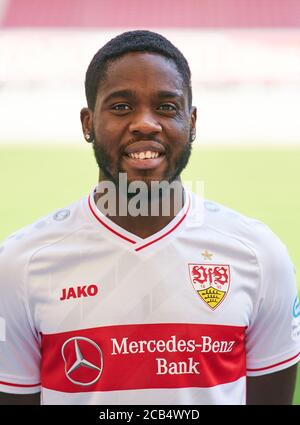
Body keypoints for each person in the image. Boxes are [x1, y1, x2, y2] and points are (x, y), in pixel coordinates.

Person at [0, 30, 299, 406]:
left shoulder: (259, 255)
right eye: (121, 106)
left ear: (192, 122)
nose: (145, 123)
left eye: (166, 107)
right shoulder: (20, 264)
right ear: (87, 123)